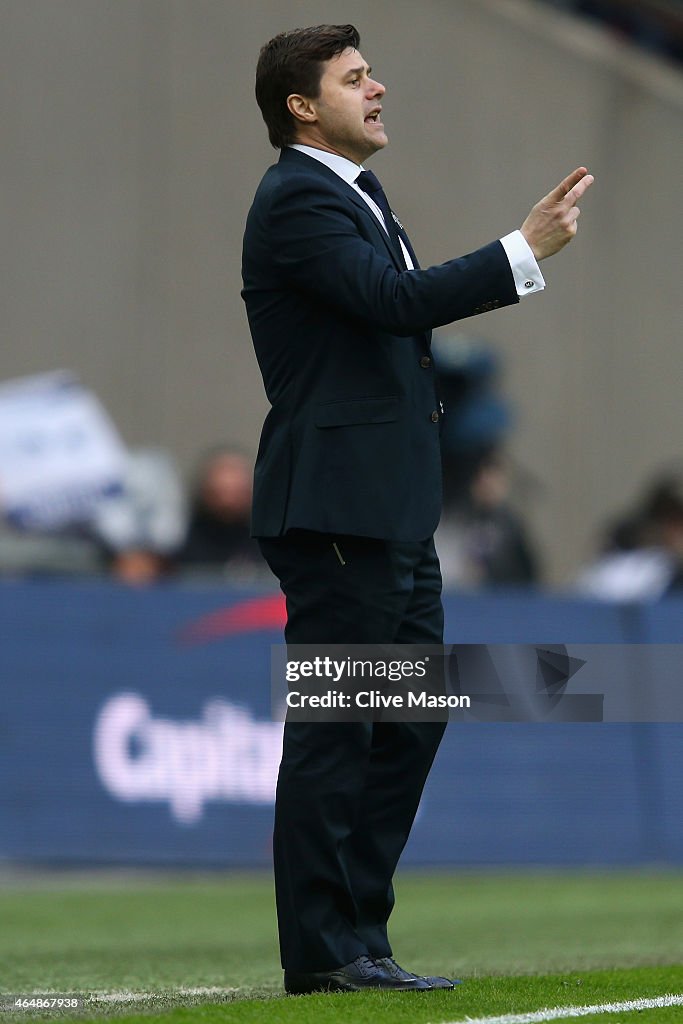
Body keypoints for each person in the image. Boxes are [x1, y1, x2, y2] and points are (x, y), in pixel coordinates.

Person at [241, 23, 593, 995]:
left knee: (405, 721)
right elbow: (393, 302)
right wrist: (519, 251)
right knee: (337, 728)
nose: (378, 88)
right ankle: (321, 953)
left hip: (389, 509)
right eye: (355, 80)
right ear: (302, 107)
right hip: (335, 511)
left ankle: (358, 936)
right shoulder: (295, 200)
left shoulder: (352, 191)